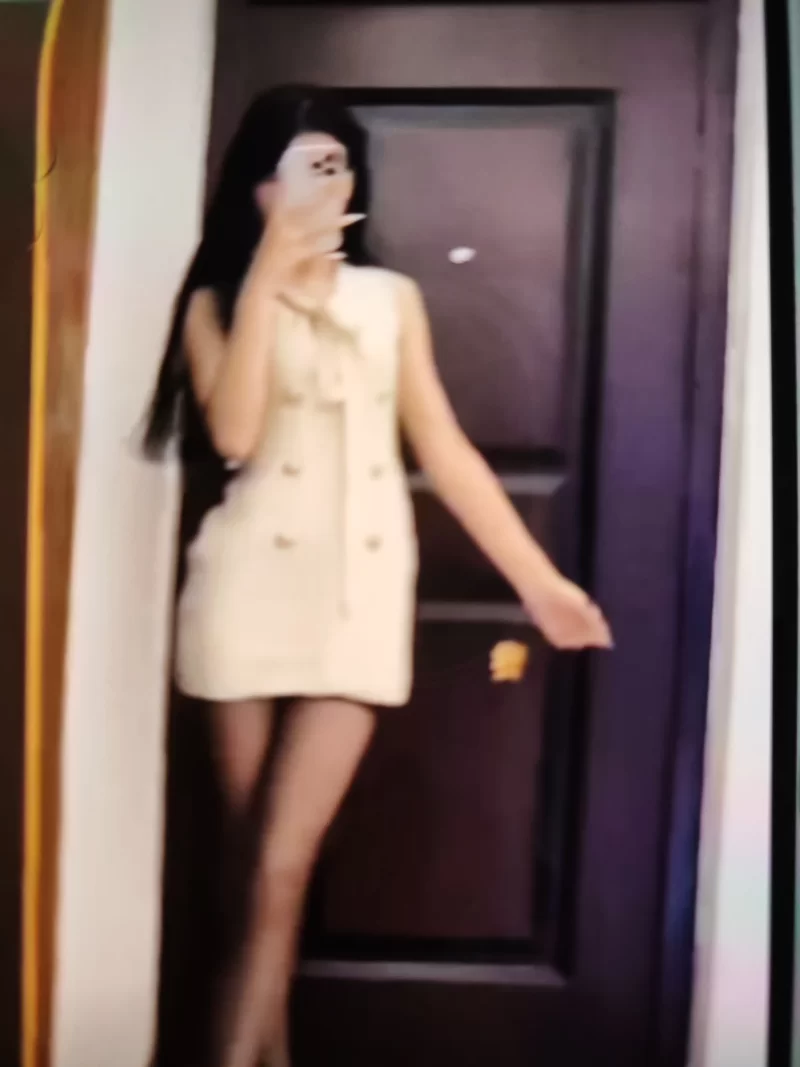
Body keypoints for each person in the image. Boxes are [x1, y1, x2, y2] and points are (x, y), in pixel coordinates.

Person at [143, 84, 613, 1067]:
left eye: (332, 165)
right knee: (252, 873)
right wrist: (269, 280)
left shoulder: (390, 301)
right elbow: (235, 433)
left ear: (354, 181)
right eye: (291, 170)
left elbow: (445, 449)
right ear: (255, 187)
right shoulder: (214, 304)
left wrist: (540, 584)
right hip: (245, 591)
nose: (316, 188)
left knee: (280, 865)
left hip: (357, 594)